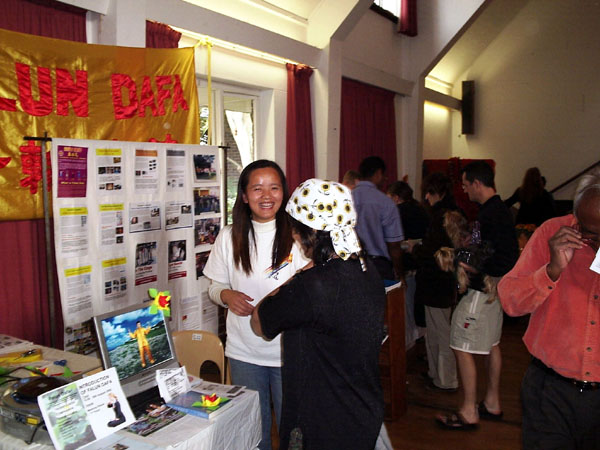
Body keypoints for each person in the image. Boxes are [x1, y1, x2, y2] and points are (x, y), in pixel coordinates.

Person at [251, 178, 385, 450]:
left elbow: (259, 322)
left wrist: (300, 275)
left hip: (319, 423)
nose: (294, 235)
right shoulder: (366, 268)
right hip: (362, 410)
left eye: (295, 228)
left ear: (309, 231)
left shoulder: (312, 286)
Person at [203, 160, 308, 450]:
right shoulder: (228, 236)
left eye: (274, 188)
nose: (267, 196)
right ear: (245, 195)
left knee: (293, 432)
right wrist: (226, 296)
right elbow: (214, 287)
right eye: (257, 188)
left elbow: (311, 288)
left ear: (284, 193)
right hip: (244, 352)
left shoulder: (299, 235)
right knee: (253, 434)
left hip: (290, 351)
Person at [498, 168, 600, 448]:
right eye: (593, 234)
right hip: (551, 392)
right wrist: (551, 270)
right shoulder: (551, 233)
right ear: (577, 221)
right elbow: (509, 302)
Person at [437, 161, 519, 429]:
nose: (464, 189)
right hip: (492, 292)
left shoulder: (490, 214)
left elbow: (502, 260)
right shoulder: (496, 210)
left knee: (460, 345)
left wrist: (469, 263)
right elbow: (488, 248)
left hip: (481, 293)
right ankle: (492, 403)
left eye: (465, 184)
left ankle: (468, 411)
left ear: (477, 183)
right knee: (492, 344)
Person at [411, 172, 461, 392]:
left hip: (436, 282)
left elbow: (432, 252)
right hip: (445, 280)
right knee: (435, 329)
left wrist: (415, 249)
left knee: (441, 331)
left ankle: (447, 379)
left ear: (436, 193)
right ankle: (435, 373)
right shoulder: (455, 213)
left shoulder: (441, 217)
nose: (426, 198)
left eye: (429, 193)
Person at [352, 156, 404, 280]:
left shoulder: (346, 198)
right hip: (378, 267)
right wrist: (399, 273)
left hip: (351, 264)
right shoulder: (386, 202)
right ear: (378, 173)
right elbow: (394, 245)